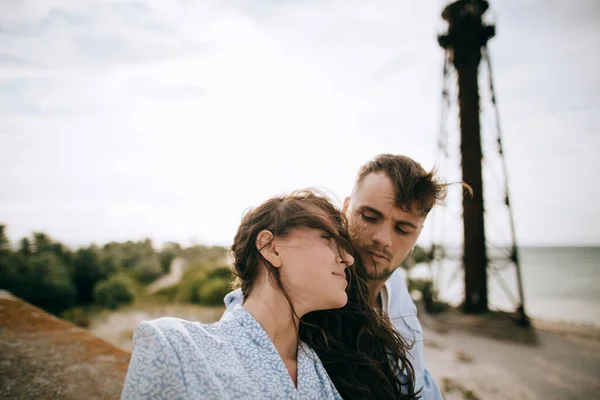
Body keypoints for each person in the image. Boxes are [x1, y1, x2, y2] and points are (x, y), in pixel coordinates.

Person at [121, 189, 417, 400]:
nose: (348, 259)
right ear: (271, 248)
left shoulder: (327, 378)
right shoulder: (174, 345)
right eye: (328, 238)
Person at [226, 154, 447, 399]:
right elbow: (252, 313)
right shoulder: (315, 287)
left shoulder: (398, 292)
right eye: (370, 218)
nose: (383, 239)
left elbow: (419, 380)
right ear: (345, 209)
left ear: (418, 234)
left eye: (403, 229)